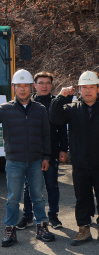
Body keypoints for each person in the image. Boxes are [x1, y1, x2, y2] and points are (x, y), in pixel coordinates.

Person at [50, 71, 99, 246]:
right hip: (80, 164)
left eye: (92, 87)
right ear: (79, 90)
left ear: (98, 89)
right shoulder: (71, 109)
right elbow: (54, 117)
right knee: (82, 198)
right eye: (84, 88)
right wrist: (61, 96)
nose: (88, 91)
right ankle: (83, 229)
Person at [1, 69, 55, 247]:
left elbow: (46, 135)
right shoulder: (5, 109)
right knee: (13, 198)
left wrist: (46, 156)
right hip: (14, 161)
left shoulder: (40, 109)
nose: (22, 90)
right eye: (19, 86)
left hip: (36, 161)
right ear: (14, 88)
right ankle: (10, 229)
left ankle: (42, 226)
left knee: (38, 196)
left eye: (25, 86)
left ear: (31, 87)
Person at [16, 71, 68, 231]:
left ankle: (53, 216)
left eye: (47, 83)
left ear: (51, 85)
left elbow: (62, 128)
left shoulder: (56, 103)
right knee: (29, 187)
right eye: (41, 83)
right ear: (35, 85)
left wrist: (63, 149)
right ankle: (27, 217)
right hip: (31, 153)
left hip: (51, 152)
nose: (44, 86)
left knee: (52, 186)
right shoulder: (29, 103)